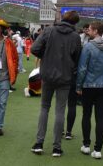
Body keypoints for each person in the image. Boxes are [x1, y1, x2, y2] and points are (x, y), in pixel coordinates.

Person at [30, 11, 81, 157]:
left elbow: (34, 49)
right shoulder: (75, 37)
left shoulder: (49, 31)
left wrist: (45, 56)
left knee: (44, 108)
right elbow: (77, 59)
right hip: (65, 77)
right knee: (60, 111)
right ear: (75, 23)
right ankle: (57, 147)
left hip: (47, 75)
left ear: (62, 18)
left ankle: (39, 143)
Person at [76, 22, 103, 160]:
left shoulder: (88, 47)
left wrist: (78, 86)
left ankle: (86, 145)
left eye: (90, 29)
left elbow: (82, 69)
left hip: (88, 86)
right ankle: (98, 149)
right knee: (100, 117)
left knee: (86, 115)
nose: (88, 31)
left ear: (95, 31)